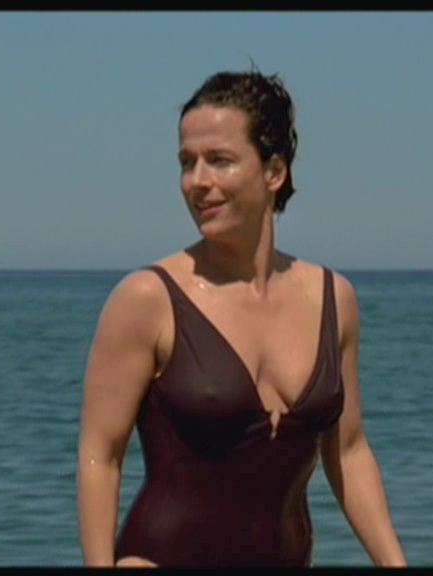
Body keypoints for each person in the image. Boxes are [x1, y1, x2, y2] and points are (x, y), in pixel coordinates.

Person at [75, 67, 407, 567]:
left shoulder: (333, 299)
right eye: (186, 162)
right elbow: (100, 455)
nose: (197, 181)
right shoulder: (147, 299)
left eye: (219, 160)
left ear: (274, 171)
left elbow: (349, 452)